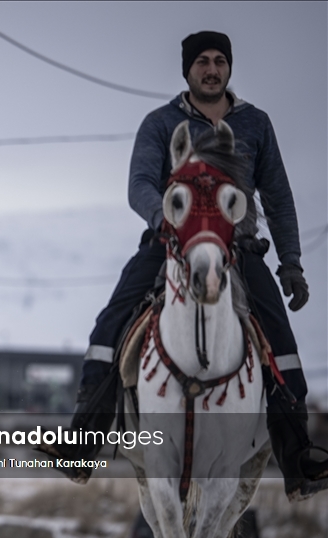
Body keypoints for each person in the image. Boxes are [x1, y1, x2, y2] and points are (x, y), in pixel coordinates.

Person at [58, 31, 327, 500]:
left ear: (229, 68)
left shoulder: (256, 124)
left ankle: (298, 454)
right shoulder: (161, 124)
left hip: (239, 250)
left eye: (220, 60)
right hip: (170, 244)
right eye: (202, 61)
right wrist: (163, 218)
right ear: (187, 70)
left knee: (280, 339)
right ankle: (84, 438)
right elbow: (140, 182)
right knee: (111, 322)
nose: (212, 69)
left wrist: (292, 264)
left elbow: (279, 199)